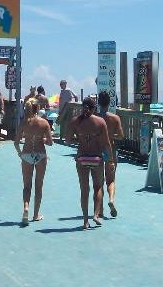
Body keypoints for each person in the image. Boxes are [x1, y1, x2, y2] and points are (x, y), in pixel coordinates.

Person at [65, 97, 112, 230]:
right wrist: (110, 160)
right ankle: (96, 215)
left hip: (82, 158)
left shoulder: (75, 121)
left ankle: (85, 221)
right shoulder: (100, 122)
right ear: (94, 108)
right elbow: (107, 144)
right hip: (96, 158)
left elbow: (67, 140)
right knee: (98, 187)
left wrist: (78, 139)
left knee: (84, 190)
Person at [14, 98, 53, 225]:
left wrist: (20, 153)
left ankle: (26, 208)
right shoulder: (44, 123)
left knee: (27, 185)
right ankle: (36, 214)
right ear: (38, 108)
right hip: (40, 155)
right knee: (38, 185)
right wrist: (42, 140)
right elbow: (51, 142)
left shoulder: (24, 123)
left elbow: (16, 142)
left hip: (27, 154)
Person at [96, 91, 124, 218]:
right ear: (109, 103)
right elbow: (121, 136)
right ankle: (111, 200)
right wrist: (111, 135)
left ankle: (99, 210)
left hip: (97, 151)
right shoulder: (115, 118)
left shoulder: (95, 118)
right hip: (110, 152)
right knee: (111, 179)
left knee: (98, 182)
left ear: (98, 103)